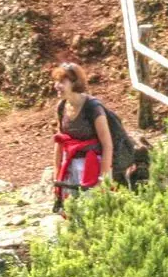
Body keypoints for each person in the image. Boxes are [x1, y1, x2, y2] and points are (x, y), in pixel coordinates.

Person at [50, 62, 139, 212]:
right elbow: (60, 141)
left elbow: (107, 144)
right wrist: (57, 173)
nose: (56, 86)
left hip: (93, 166)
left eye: (62, 82)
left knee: (94, 211)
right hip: (71, 166)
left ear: (74, 83)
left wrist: (102, 179)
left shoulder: (93, 108)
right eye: (56, 81)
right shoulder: (61, 107)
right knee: (72, 211)